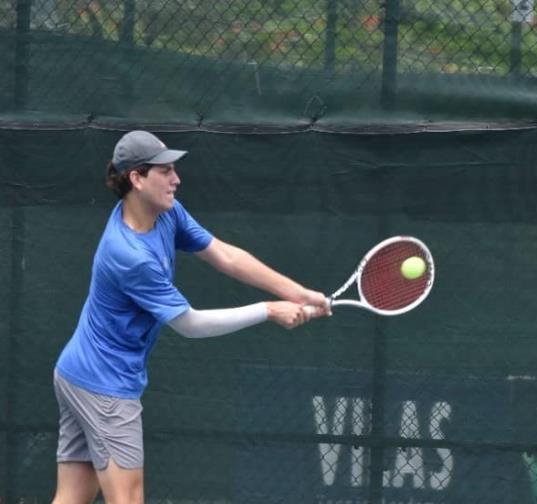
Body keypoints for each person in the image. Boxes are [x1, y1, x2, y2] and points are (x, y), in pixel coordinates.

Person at [51, 131, 331, 504]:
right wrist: (267, 310)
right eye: (165, 171)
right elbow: (190, 324)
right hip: (104, 387)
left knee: (72, 499)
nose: (176, 179)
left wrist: (297, 293)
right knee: (128, 499)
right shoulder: (130, 254)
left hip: (75, 373)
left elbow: (226, 256)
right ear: (137, 178)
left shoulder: (164, 213)